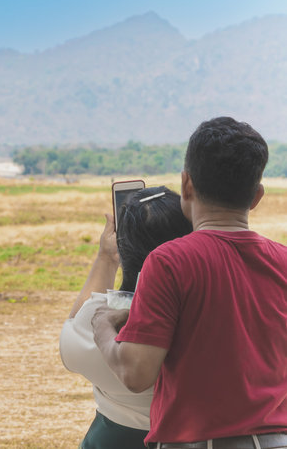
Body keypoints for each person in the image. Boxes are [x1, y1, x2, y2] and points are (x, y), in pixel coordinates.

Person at [92, 117, 287, 449]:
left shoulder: (169, 262)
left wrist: (102, 327)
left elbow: (137, 374)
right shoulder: (282, 261)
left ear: (186, 185)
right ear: (256, 196)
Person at [59, 186, 193, 449]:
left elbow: (73, 327)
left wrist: (106, 258)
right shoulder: (204, 317)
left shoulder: (95, 320)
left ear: (124, 245)